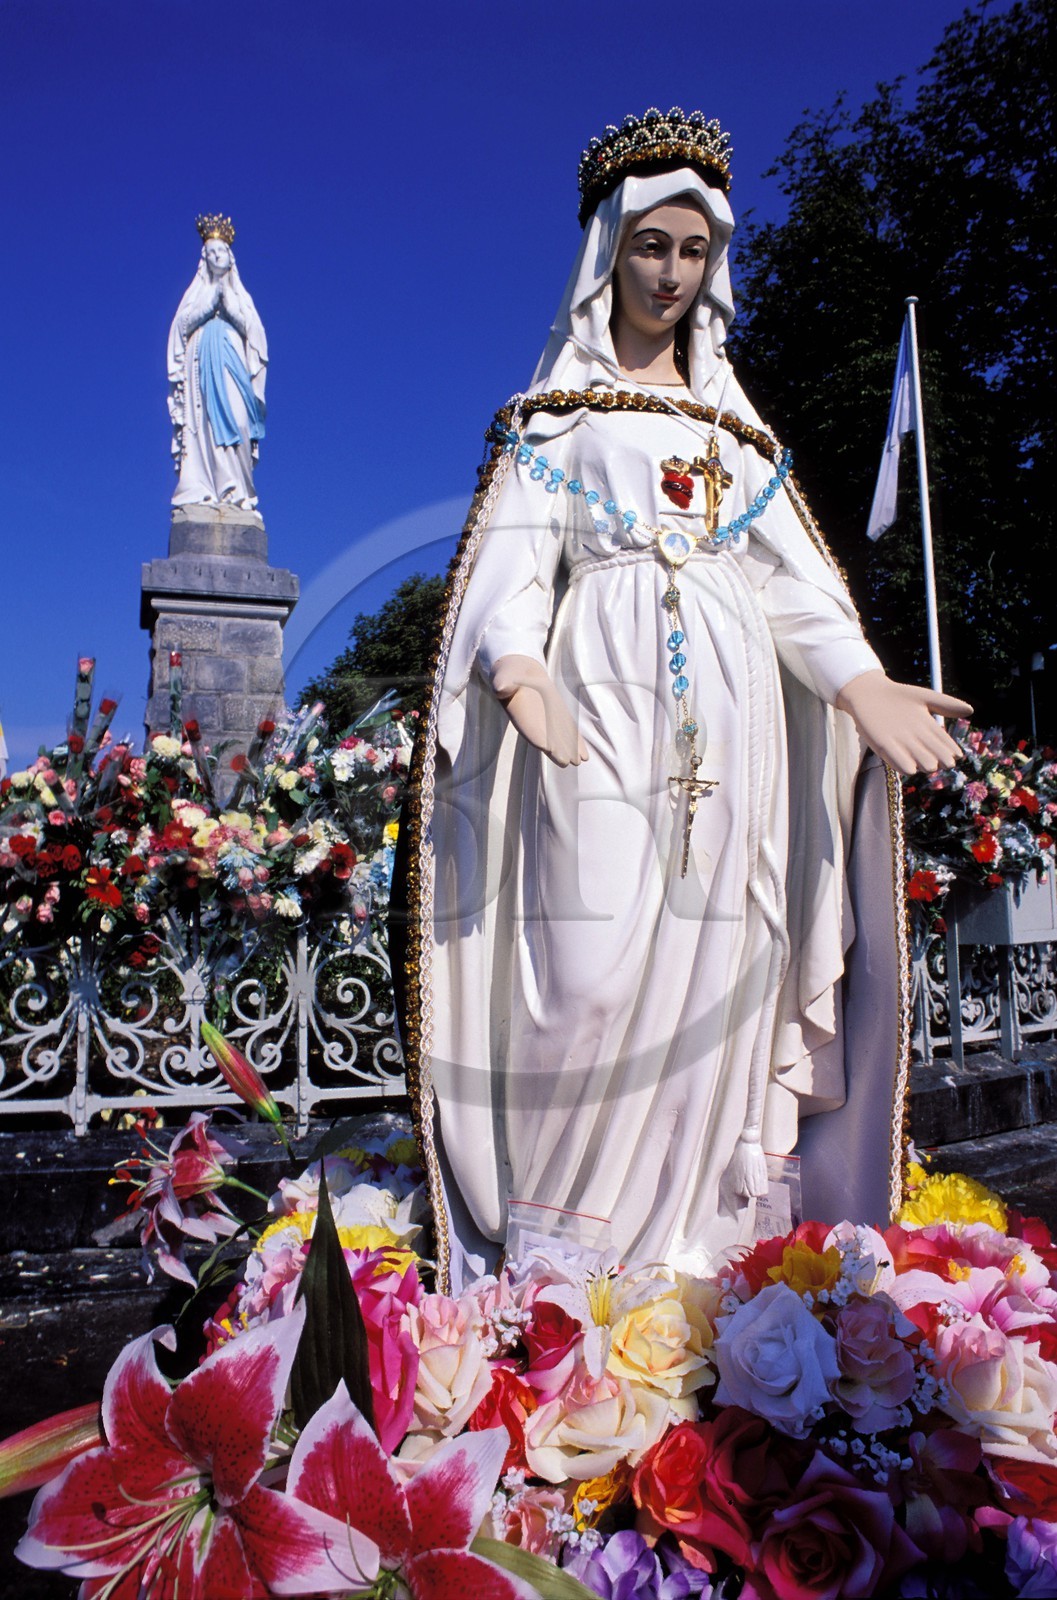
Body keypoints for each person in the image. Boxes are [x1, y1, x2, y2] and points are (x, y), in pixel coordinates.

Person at [396, 109, 969, 1294]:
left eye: (692, 251)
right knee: (591, 963)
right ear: (608, 250)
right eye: (650, 245)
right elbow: (515, 563)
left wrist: (860, 683)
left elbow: (797, 591)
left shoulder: (737, 438)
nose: (669, 273)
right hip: (592, 708)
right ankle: (564, 1260)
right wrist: (517, 664)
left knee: (722, 964)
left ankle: (694, 1256)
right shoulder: (555, 419)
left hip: (733, 722)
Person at [167, 215, 267, 511]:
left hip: (232, 362)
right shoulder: (196, 294)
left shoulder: (241, 296)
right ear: (204, 258)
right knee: (206, 428)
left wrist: (229, 308)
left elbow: (257, 337)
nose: (215, 256)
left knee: (238, 420)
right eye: (210, 252)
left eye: (220, 251)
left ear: (229, 256)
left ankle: (237, 492)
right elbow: (180, 328)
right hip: (202, 366)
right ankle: (206, 488)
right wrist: (210, 304)